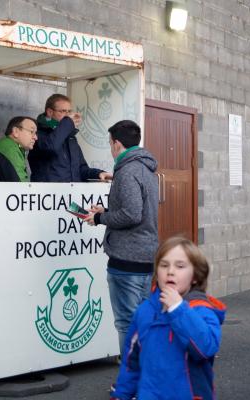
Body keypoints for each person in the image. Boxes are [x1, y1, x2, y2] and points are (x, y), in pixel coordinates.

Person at [109, 236, 227, 400]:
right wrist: (121, 394)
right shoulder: (145, 311)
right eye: (164, 265)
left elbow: (205, 348)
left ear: (195, 276)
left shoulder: (202, 310)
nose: (170, 271)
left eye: (180, 266)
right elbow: (131, 362)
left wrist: (178, 310)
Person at [84, 119, 158, 361]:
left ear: (116, 144)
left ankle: (131, 381)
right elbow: (137, 208)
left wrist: (100, 218)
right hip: (145, 256)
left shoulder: (127, 171)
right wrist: (104, 210)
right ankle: (145, 378)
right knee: (143, 321)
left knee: (127, 324)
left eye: (110, 143)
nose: (110, 148)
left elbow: (131, 214)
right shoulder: (146, 168)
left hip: (126, 258)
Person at [28, 93, 112, 182]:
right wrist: (67, 123)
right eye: (63, 111)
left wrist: (98, 174)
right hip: (48, 194)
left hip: (70, 193)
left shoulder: (70, 137)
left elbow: (81, 169)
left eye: (69, 111)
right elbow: (51, 147)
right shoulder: (37, 133)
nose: (67, 115)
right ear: (50, 112)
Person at [0, 116, 37, 182]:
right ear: (15, 132)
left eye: (35, 133)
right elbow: (21, 187)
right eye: (32, 131)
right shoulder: (10, 149)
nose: (35, 137)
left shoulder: (11, 145)